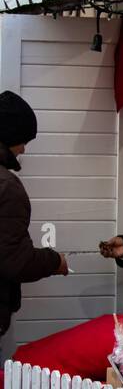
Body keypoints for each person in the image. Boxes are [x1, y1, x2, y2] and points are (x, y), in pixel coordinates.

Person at [0, 91, 68, 338]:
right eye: (24, 141)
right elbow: (14, 261)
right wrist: (55, 262)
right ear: (10, 136)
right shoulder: (7, 187)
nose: (24, 150)